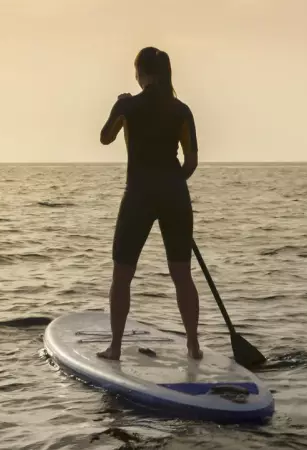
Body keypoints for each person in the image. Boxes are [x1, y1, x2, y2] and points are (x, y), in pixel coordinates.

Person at [97, 47, 202, 360]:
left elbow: (105, 138)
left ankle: (115, 347)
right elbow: (192, 160)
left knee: (122, 274)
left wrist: (118, 106)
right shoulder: (182, 109)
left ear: (140, 73)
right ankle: (193, 346)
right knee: (182, 274)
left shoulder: (128, 105)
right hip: (174, 194)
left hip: (139, 195)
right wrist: (172, 184)